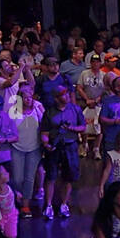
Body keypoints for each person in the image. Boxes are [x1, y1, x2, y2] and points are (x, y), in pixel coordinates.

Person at [0, 83, 44, 218]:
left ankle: (26, 205)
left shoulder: (37, 109)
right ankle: (18, 195)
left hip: (34, 148)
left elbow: (45, 124)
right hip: (17, 148)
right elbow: (6, 129)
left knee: (29, 178)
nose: (28, 100)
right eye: (25, 97)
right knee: (17, 178)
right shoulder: (13, 112)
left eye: (30, 97)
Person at [40, 84, 85, 219]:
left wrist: (72, 129)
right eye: (63, 95)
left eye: (67, 94)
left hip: (70, 146)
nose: (66, 97)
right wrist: (46, 143)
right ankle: (48, 205)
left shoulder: (75, 109)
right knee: (51, 177)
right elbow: (44, 131)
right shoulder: (49, 112)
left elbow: (82, 127)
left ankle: (64, 204)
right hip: (55, 147)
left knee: (69, 177)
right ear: (56, 98)